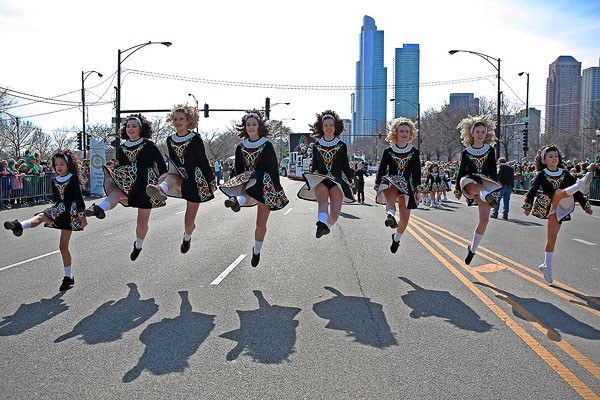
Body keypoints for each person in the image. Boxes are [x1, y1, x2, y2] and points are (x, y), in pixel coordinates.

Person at [85, 114, 167, 261]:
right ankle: (98, 208)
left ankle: (138, 245)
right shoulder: (122, 147)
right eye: (128, 126)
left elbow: (161, 167)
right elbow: (122, 166)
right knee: (115, 193)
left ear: (141, 128)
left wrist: (160, 185)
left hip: (146, 186)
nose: (130, 128)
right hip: (127, 181)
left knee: (142, 223)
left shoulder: (149, 145)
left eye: (134, 126)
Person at [4, 150, 86, 291]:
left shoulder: (72, 178)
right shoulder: (54, 181)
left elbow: (78, 198)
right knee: (41, 216)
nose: (59, 166)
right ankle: (19, 225)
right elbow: (56, 200)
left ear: (68, 165)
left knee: (63, 247)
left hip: (70, 213)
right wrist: (54, 211)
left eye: (62, 164)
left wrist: (82, 216)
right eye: (56, 164)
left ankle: (68, 277)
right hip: (59, 208)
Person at [220, 109, 288, 267]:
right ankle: (236, 199)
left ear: (259, 126)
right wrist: (233, 183)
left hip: (265, 185)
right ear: (244, 127)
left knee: (260, 224)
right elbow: (238, 170)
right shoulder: (240, 147)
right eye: (248, 124)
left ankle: (256, 251)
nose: (250, 127)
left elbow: (273, 170)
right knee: (248, 181)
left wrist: (277, 189)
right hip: (247, 181)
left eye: (254, 124)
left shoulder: (267, 145)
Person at [146, 104, 216, 254]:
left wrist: (211, 180)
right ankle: (160, 189)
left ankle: (187, 236)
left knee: (188, 222)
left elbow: (203, 161)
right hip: (178, 175)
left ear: (188, 120)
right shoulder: (170, 140)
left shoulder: (195, 139)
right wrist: (165, 174)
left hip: (195, 180)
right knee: (169, 177)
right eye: (175, 119)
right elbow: (173, 160)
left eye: (181, 119)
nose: (178, 122)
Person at [522, 145, 595, 283]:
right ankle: (580, 183)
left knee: (552, 238)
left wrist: (585, 206)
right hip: (548, 204)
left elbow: (578, 195)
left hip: (560, 206)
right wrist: (528, 206)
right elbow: (532, 190)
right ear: (544, 160)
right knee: (558, 192)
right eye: (550, 157)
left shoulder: (565, 173)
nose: (554, 158)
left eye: (556, 156)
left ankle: (546, 266)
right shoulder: (542, 174)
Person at [298, 110, 354, 238]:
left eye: (331, 125)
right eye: (326, 125)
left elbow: (345, 165)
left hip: (337, 181)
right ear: (321, 128)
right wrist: (311, 180)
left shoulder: (341, 145)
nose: (328, 128)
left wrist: (350, 181)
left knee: (334, 214)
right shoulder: (316, 146)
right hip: (321, 179)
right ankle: (321, 223)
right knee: (322, 204)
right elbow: (315, 166)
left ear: (336, 127)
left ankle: (325, 226)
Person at [454, 114, 501, 265]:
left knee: (485, 220)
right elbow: (461, 171)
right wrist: (457, 189)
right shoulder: (466, 152)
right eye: (478, 131)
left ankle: (472, 249)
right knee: (476, 185)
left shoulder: (490, 150)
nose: (480, 134)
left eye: (483, 132)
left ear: (486, 134)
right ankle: (485, 193)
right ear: (472, 133)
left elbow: (493, 171)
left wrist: (495, 188)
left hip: (485, 184)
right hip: (469, 182)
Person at [374, 117, 421, 253]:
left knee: (405, 218)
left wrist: (418, 189)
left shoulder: (414, 152)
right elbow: (382, 168)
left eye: (407, 131)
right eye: (402, 131)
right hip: (392, 180)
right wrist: (378, 183)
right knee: (391, 196)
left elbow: (416, 172)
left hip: (407, 184)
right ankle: (390, 216)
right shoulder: (388, 151)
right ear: (396, 133)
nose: (404, 134)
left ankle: (397, 238)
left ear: (410, 133)